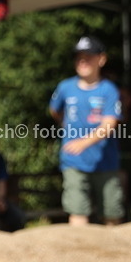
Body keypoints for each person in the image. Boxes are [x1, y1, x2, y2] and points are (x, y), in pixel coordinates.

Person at [49, 36, 123, 226]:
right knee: (77, 210)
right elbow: (54, 110)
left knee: (111, 213)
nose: (82, 61)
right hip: (73, 160)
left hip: (105, 162)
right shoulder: (65, 87)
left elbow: (109, 125)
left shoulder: (109, 90)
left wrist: (82, 142)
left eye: (88, 56)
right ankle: (78, 255)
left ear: (101, 59)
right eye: (78, 57)